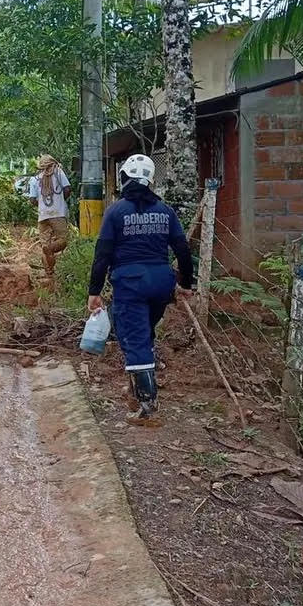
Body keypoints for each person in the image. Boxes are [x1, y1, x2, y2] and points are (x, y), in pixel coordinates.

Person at [87, 154, 194, 418]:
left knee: (135, 341)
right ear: (149, 180)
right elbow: (182, 250)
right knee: (144, 334)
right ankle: (135, 387)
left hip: (131, 283)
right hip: (161, 282)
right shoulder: (165, 211)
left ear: (124, 178)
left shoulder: (116, 211)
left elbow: (103, 256)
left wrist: (94, 291)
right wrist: (186, 284)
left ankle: (148, 408)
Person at [28, 154, 72, 279]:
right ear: (52, 163)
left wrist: (43, 206)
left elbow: (32, 200)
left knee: (44, 246)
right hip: (57, 214)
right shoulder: (58, 172)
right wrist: (60, 201)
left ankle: (49, 274)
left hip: (43, 216)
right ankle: (51, 249)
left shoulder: (35, 179)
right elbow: (68, 189)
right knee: (63, 240)